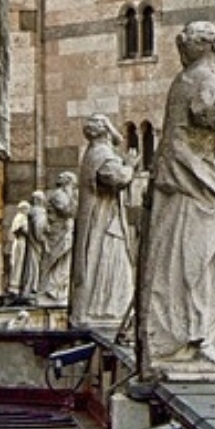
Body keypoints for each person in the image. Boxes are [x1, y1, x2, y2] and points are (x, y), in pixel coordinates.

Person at [136, 21, 215, 375]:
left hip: (188, 186)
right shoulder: (202, 80)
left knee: (200, 265)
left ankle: (195, 337)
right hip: (195, 189)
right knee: (209, 267)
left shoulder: (183, 80)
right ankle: (194, 339)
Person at [69, 114, 136, 329]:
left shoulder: (93, 153)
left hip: (102, 218)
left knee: (108, 263)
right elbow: (118, 178)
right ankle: (106, 310)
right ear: (106, 130)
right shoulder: (101, 154)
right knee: (111, 263)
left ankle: (106, 308)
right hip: (104, 222)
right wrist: (131, 166)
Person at [36, 172, 77, 307]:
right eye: (72, 185)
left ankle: (59, 290)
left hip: (65, 233)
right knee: (54, 260)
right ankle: (50, 289)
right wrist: (76, 200)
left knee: (64, 263)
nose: (73, 188)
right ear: (67, 183)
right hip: (57, 233)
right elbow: (68, 211)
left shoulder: (66, 195)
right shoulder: (58, 195)